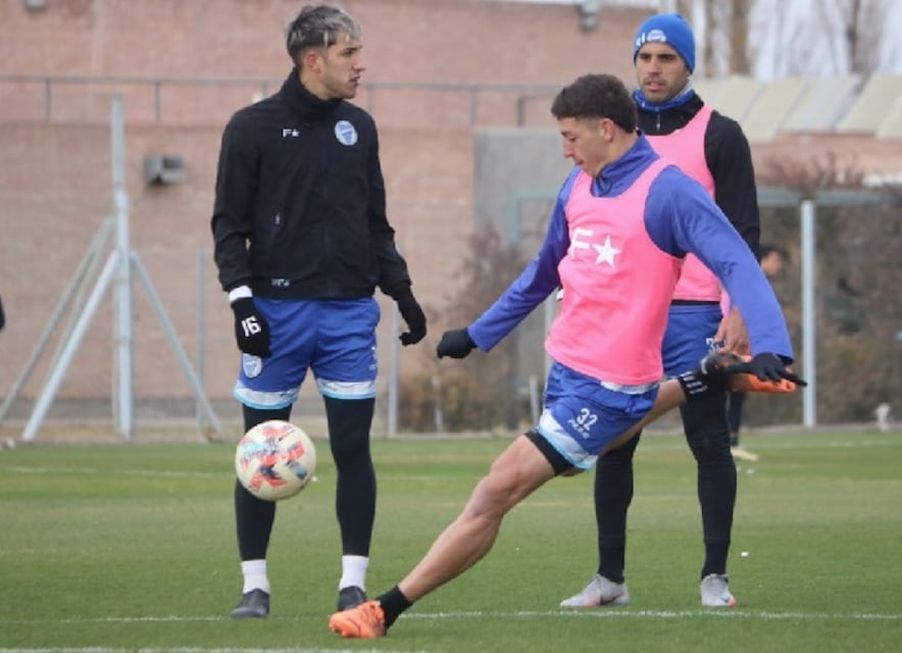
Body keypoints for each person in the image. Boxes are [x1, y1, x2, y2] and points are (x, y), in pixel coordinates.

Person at [327, 73, 802, 639]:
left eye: (571, 136)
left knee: (495, 490)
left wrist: (772, 344)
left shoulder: (668, 190)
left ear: (606, 129)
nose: (565, 147)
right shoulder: (579, 184)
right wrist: (480, 334)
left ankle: (385, 608)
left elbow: (736, 263)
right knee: (616, 428)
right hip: (571, 372)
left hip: (609, 388)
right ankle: (707, 379)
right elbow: (542, 271)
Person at [210, 3, 426, 619]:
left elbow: (374, 222)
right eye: (349, 53)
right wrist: (242, 304)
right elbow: (229, 226)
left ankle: (353, 583)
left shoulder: (360, 128)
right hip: (275, 315)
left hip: (348, 314)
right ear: (313, 59)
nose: (361, 65)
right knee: (258, 449)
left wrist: (401, 291)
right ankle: (255, 586)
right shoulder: (249, 128)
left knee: (354, 447)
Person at [560, 13, 764, 611]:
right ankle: (609, 579)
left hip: (697, 313)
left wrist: (738, 311)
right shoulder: (610, 131)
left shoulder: (719, 135)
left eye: (666, 58)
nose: (653, 68)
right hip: (625, 312)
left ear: (688, 64)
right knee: (613, 441)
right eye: (645, 57)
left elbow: (741, 235)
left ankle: (715, 577)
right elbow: (587, 216)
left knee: (709, 441)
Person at [728, 245, 786, 461]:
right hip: (737, 343)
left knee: (737, 393)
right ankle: (728, 443)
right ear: (762, 261)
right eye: (775, 260)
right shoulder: (748, 283)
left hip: (749, 345)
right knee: (730, 391)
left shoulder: (757, 284)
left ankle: (731, 442)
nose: (778, 265)